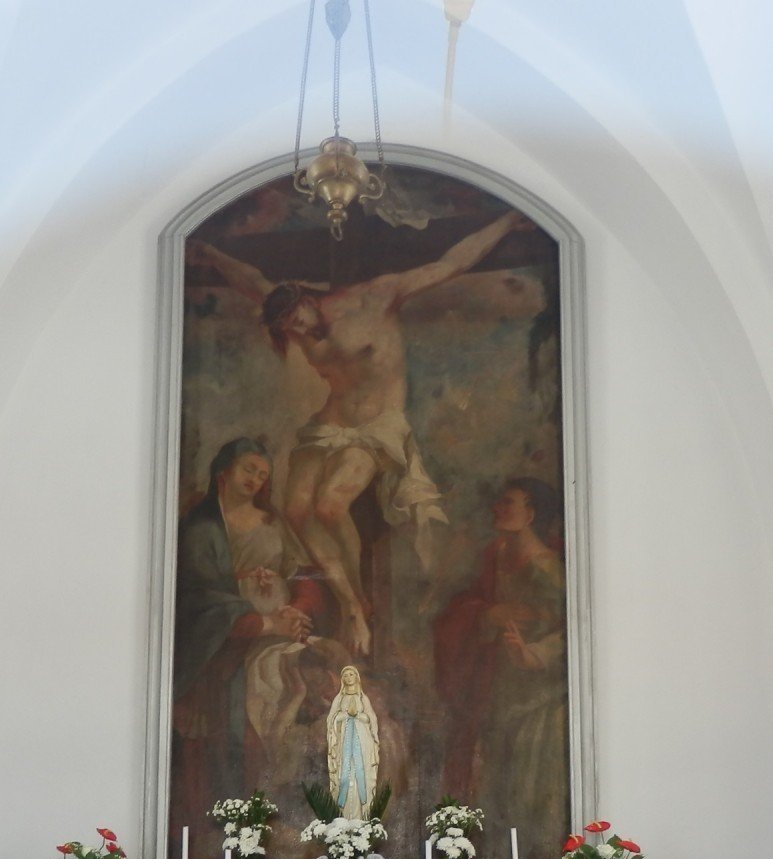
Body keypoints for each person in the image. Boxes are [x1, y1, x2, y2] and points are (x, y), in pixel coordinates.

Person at [187, 207, 527, 655]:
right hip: (330, 422)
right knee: (294, 509)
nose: (299, 330)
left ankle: (355, 606)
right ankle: (352, 600)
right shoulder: (287, 313)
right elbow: (248, 278)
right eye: (288, 328)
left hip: (377, 425)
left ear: (305, 297)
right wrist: (211, 251)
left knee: (329, 508)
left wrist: (504, 222)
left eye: (298, 319)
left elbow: (450, 264)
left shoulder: (377, 296)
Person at [170, 438, 328, 845]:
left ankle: (293, 806)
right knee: (246, 710)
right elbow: (201, 598)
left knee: (316, 683)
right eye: (248, 470)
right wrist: (262, 623)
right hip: (225, 645)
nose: (256, 480)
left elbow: (304, 576)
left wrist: (297, 611)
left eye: (262, 474)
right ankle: (244, 819)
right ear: (223, 471)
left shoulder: (272, 523)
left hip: (279, 633)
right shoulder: (202, 528)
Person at [432, 477, 568, 841]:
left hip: (535, 695)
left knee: (523, 776)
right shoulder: (495, 555)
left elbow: (571, 630)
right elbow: (463, 608)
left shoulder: (546, 568)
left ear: (531, 514)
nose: (498, 508)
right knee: (492, 771)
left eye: (508, 503)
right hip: (495, 686)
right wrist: (486, 615)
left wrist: (534, 654)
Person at [326, 665, 381, 820]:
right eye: (346, 675)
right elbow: (331, 720)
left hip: (361, 744)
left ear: (357, 677)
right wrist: (343, 716)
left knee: (359, 778)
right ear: (342, 679)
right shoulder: (339, 699)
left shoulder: (363, 699)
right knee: (344, 778)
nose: (349, 677)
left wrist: (357, 714)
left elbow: (372, 721)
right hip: (343, 743)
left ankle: (361, 818)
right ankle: (343, 819)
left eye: (351, 674)